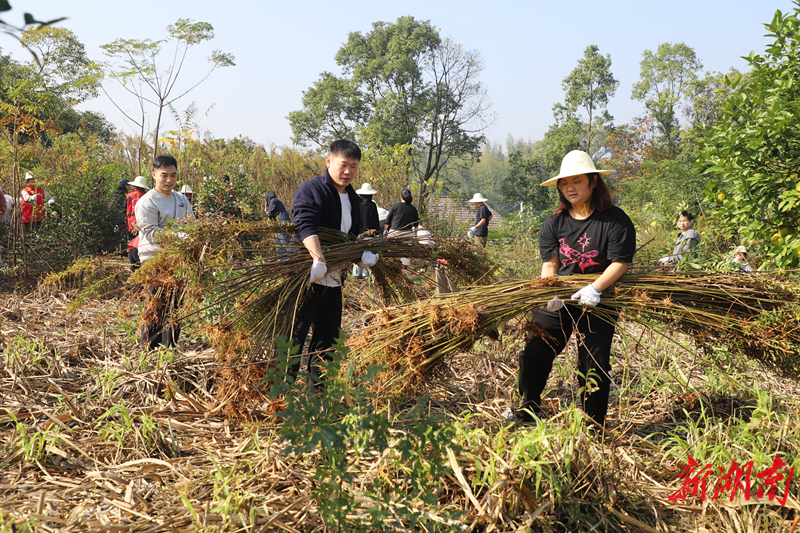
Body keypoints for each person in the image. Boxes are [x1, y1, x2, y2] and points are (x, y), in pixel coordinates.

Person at [512, 150, 636, 427]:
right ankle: (526, 412)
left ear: (593, 182)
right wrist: (550, 292)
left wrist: (595, 287)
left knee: (594, 361)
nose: (570, 188)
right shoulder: (554, 222)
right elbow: (550, 265)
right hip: (560, 298)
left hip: (599, 299)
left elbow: (620, 262)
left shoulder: (615, 220)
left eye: (577, 181)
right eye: (564, 183)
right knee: (535, 349)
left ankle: (594, 425)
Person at [288, 139, 378, 392]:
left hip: (333, 279)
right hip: (306, 276)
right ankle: (279, 397)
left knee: (328, 339)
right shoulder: (312, 189)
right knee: (293, 337)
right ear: (329, 162)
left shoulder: (353, 198)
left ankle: (316, 397)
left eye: (354, 167)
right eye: (343, 165)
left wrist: (362, 255)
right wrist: (317, 258)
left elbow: (353, 238)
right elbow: (305, 224)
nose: (348, 171)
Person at [135, 155, 195, 349]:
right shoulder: (147, 202)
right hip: (155, 259)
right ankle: (150, 349)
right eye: (164, 175)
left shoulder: (181, 200)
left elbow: (192, 224)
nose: (169, 180)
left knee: (175, 304)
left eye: (173, 175)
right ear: (154, 175)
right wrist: (180, 237)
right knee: (155, 304)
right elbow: (151, 232)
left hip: (177, 260)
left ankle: (170, 347)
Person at [352, 183, 381, 278]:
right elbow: (376, 220)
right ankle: (366, 273)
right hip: (369, 233)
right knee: (367, 253)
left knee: (357, 253)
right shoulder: (372, 205)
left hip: (358, 233)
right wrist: (377, 232)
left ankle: (356, 273)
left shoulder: (356, 205)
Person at [126, 176, 150, 270]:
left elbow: (127, 210)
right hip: (142, 224)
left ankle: (132, 265)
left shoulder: (129, 196)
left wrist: (128, 223)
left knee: (132, 245)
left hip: (131, 224)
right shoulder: (147, 196)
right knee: (140, 245)